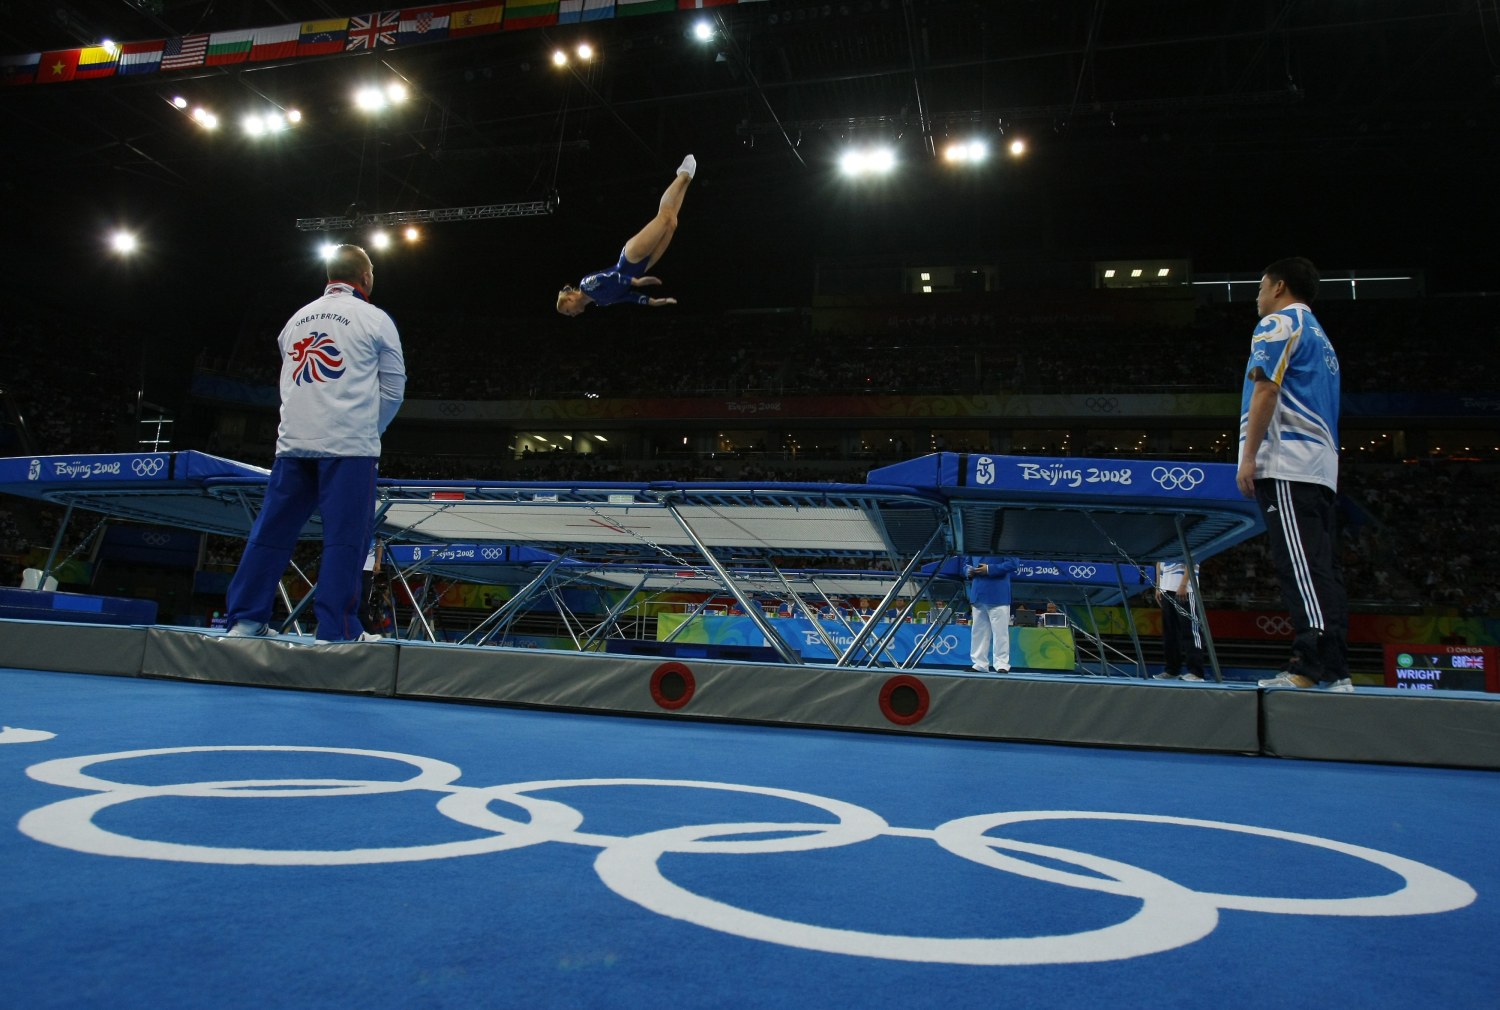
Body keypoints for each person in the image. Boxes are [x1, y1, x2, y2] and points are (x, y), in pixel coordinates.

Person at [224, 244, 406, 642]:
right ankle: (337, 631)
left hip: (293, 444)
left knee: (271, 532)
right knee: (345, 538)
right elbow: (393, 390)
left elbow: (291, 382)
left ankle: (244, 622)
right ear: (366, 277)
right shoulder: (375, 319)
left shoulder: (294, 320)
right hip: (349, 447)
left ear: (329, 275)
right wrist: (368, 430)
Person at [1237, 257, 1351, 692]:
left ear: (1280, 286)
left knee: (1299, 568)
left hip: (1287, 463)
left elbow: (1266, 387)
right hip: (1319, 467)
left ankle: (1309, 665)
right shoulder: (1321, 337)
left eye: (1261, 286)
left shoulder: (1278, 324)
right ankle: (1337, 668)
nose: (1257, 295)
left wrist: (1249, 457)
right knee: (1321, 568)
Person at [556, 156, 696, 315]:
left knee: (663, 218)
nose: (572, 314)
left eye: (568, 311)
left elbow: (609, 277)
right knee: (672, 224)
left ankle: (683, 174)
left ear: (570, 299)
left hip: (630, 257)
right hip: (643, 267)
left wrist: (634, 281)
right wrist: (652, 302)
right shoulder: (601, 302)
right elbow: (628, 296)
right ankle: (687, 180)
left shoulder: (585, 285)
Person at [1151, 560, 1206, 681]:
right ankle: (1172, 670)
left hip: (1186, 590)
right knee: (1170, 633)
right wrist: (1158, 586)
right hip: (1166, 590)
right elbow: (1159, 563)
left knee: (1191, 631)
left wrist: (1183, 585)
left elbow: (1193, 560)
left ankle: (1196, 672)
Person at [964, 555, 1020, 673]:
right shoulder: (973, 543)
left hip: (998, 593)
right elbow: (966, 563)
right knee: (978, 631)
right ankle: (979, 663)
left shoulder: (1005, 542)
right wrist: (968, 571)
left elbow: (1013, 564)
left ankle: (1001, 664)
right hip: (978, 592)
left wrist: (989, 569)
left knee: (1000, 632)